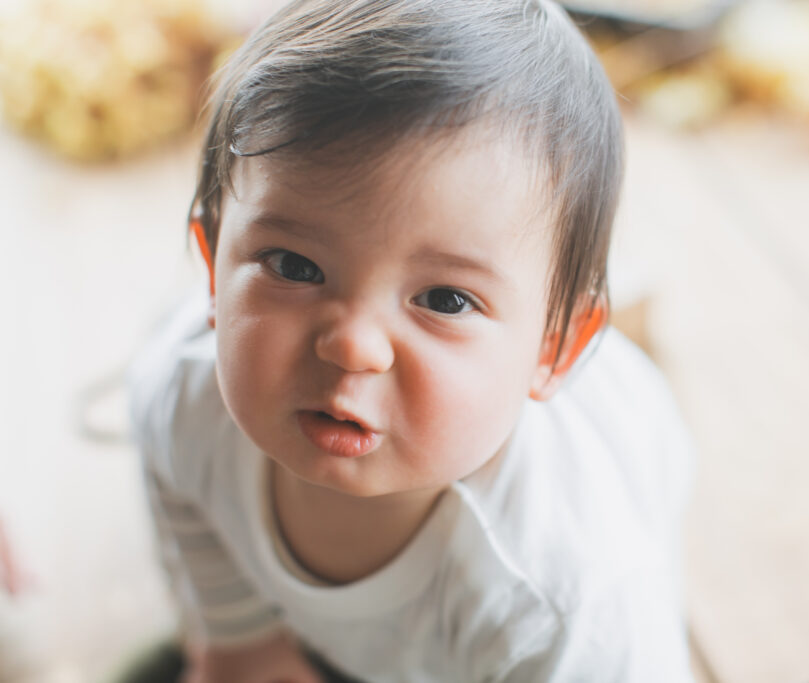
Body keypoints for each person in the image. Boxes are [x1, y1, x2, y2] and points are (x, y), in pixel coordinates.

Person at [129, 0, 696, 681]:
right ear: (213, 267)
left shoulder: (567, 597)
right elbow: (185, 509)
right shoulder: (178, 396)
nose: (352, 346)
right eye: (294, 265)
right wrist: (242, 642)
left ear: (556, 350)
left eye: (444, 299)